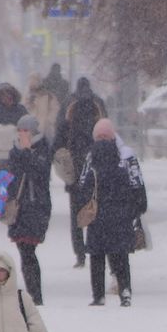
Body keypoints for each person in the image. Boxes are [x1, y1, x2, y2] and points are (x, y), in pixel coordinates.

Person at [75, 118, 147, 307]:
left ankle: (98, 295)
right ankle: (125, 291)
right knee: (120, 256)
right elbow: (135, 190)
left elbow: (83, 191)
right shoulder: (122, 170)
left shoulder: (92, 170)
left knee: (97, 257)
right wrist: (133, 211)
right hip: (119, 220)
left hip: (97, 219)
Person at [56, 78, 108, 267]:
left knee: (75, 214)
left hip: (75, 170)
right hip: (95, 170)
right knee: (95, 209)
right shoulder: (98, 104)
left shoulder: (69, 104)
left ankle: (80, 254)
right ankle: (96, 249)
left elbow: (59, 137)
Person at [5, 115, 54, 305]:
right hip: (19, 208)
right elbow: (12, 176)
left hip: (36, 207)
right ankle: (32, 294)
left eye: (26, 131)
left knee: (29, 250)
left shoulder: (42, 148)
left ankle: (35, 295)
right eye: (20, 130)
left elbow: (41, 172)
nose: (22, 134)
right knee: (24, 250)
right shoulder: (14, 151)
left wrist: (27, 152)